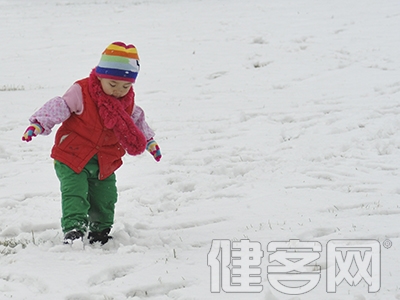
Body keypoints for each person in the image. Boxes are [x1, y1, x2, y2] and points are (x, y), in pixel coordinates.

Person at [22, 42, 161, 245]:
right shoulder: (82, 92)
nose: (118, 91)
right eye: (112, 84)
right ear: (100, 75)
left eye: (126, 86)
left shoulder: (127, 102)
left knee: (106, 197)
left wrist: (149, 141)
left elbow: (137, 122)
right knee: (75, 192)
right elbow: (60, 106)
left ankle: (100, 230)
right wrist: (38, 124)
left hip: (105, 160)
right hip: (72, 155)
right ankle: (74, 229)